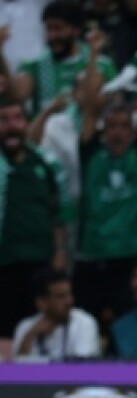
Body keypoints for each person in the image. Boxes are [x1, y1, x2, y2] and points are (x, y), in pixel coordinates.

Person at [73, 66, 137, 331]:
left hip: (130, 256)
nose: (118, 132)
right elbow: (88, 105)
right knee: (87, 326)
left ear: (131, 131)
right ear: (103, 130)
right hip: (91, 255)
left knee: (127, 327)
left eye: (124, 126)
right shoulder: (90, 153)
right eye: (111, 126)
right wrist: (94, 56)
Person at [0, 93, 65, 337]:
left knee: (40, 331)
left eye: (17, 118)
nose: (11, 126)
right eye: (3, 120)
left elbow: (56, 213)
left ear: (26, 124)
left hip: (40, 263)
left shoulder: (43, 163)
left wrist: (59, 252)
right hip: (3, 264)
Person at [4, 1, 117, 115]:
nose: (52, 36)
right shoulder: (36, 65)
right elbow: (17, 95)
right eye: (49, 29)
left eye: (58, 29)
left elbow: (116, 104)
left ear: (76, 30)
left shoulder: (102, 63)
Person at [13, 269, 99, 359]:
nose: (69, 301)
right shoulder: (25, 327)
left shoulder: (84, 322)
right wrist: (30, 336)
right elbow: (19, 370)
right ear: (41, 302)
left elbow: (81, 368)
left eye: (69, 294)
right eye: (61, 296)